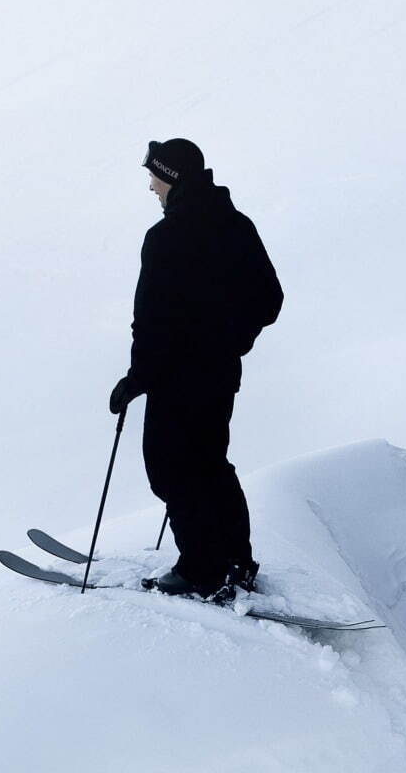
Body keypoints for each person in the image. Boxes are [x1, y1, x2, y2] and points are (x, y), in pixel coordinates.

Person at [109, 138, 283, 601]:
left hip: (174, 376)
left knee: (171, 470)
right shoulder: (236, 224)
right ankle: (236, 561)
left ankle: (201, 569)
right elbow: (270, 299)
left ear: (172, 178)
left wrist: (136, 378)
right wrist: (230, 339)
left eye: (154, 177)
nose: (150, 187)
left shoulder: (165, 238)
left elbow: (150, 319)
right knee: (209, 464)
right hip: (219, 373)